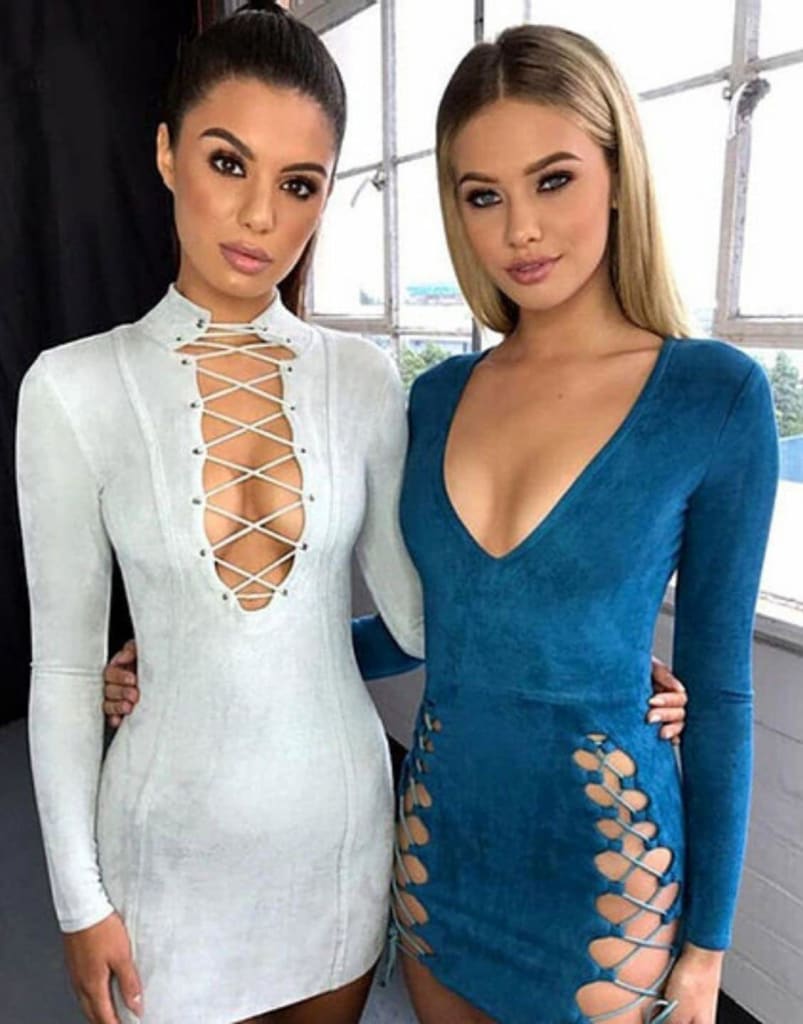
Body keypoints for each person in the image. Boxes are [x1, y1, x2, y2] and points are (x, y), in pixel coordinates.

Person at [94, 15, 710, 1024]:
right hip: (437, 850)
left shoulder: (708, 396)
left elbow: (723, 693)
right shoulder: (438, 396)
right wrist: (199, 652)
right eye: (482, 195)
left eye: (553, 179)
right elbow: (430, 624)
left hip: (602, 861)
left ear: (615, 172)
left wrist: (707, 948)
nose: (519, 230)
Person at [16, 5, 427, 1023]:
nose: (257, 217)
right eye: (227, 162)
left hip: (337, 835)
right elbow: (63, 670)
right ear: (166, 154)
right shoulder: (72, 387)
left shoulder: (364, 380)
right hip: (163, 851)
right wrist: (78, 901)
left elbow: (417, 621)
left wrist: (592, 652)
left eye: (299, 184)